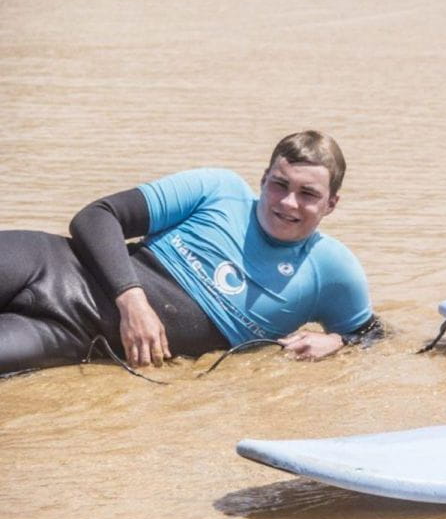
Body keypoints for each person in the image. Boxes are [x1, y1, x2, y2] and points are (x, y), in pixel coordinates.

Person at [0, 130, 382, 376]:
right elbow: (97, 217)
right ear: (263, 179)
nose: (288, 202)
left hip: (69, 336)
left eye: (308, 194)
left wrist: (338, 341)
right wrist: (133, 304)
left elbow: (375, 336)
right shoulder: (218, 189)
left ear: (331, 204)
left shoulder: (332, 269)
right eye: (279, 184)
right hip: (49, 263)